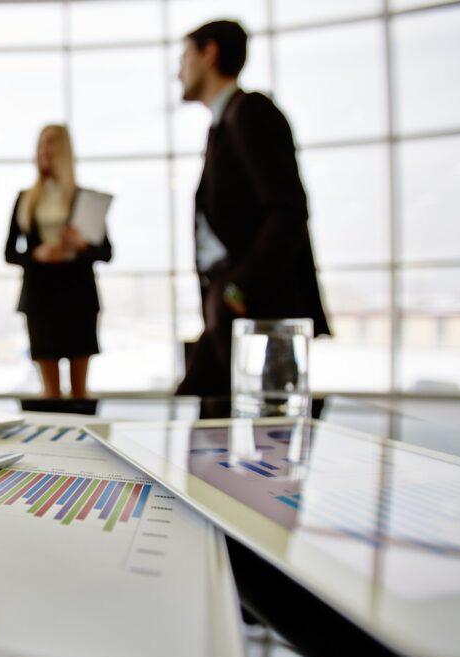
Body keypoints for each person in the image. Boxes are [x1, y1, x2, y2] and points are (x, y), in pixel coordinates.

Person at [174, 20, 330, 397]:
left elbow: (287, 211)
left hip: (256, 311)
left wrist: (237, 288)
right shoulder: (224, 124)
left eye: (184, 56)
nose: (178, 70)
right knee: (206, 416)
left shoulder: (250, 113)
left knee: (262, 434)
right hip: (232, 306)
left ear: (209, 53)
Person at [5, 125, 112, 399]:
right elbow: (9, 252)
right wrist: (37, 255)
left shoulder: (84, 198)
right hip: (41, 298)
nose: (44, 149)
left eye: (51, 142)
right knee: (49, 393)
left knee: (80, 392)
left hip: (78, 296)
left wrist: (81, 245)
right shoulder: (25, 199)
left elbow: (106, 252)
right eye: (40, 143)